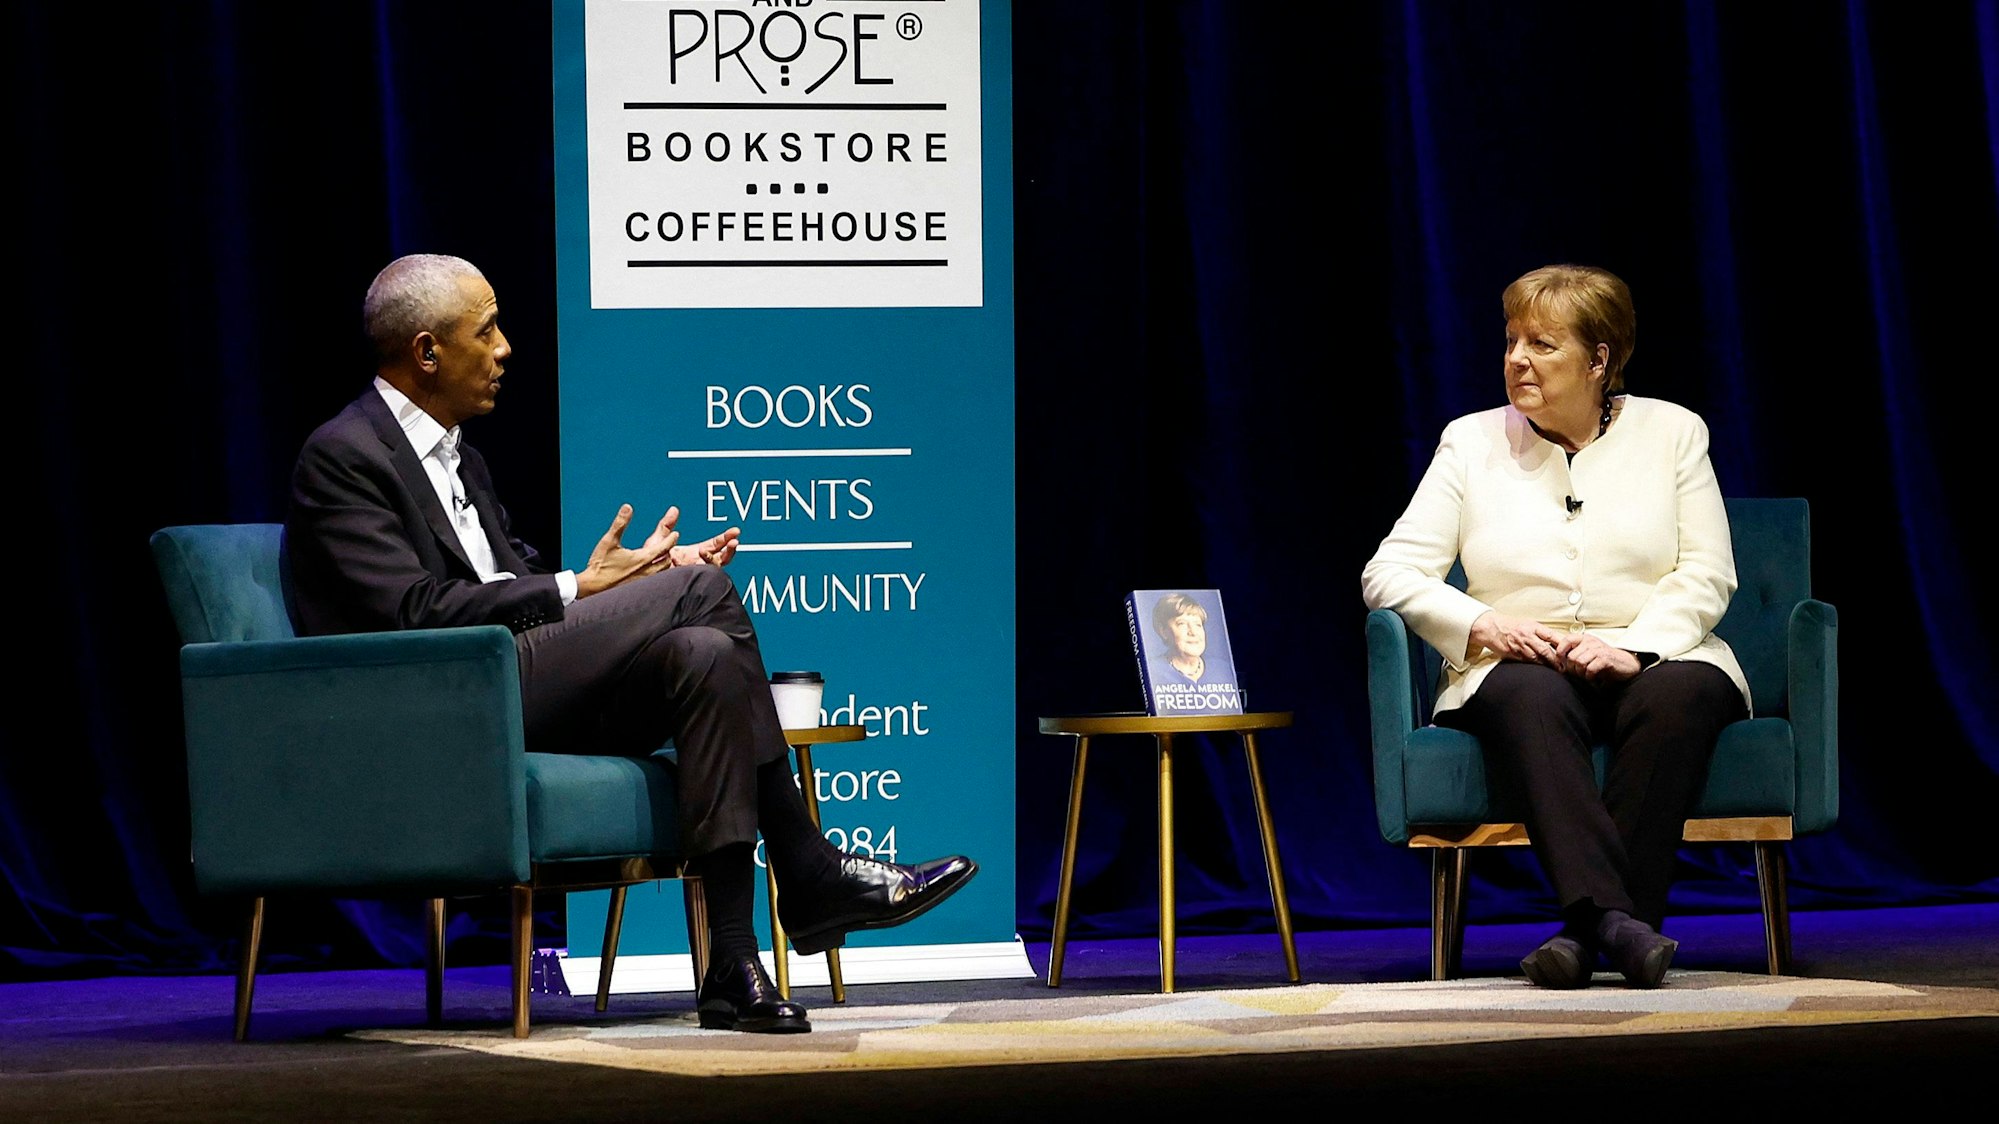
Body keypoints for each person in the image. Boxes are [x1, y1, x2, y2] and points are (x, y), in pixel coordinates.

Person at [286, 253, 977, 1033]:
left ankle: (732, 962)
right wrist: (585, 587)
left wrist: (632, 583)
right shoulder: (345, 455)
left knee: (703, 653)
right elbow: (412, 612)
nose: (506, 347)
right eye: (486, 331)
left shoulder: (460, 458)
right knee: (702, 594)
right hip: (441, 704)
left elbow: (511, 590)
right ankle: (809, 871)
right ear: (426, 351)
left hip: (512, 682)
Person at [1360, 263, 1748, 990]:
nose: (1515, 360)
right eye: (1511, 341)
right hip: (1519, 663)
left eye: (1541, 344)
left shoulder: (1671, 433)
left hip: (1656, 649)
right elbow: (1388, 573)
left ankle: (1585, 931)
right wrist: (1484, 624)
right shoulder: (1470, 443)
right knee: (1530, 698)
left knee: (1682, 697)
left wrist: (1632, 647)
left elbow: (1707, 572)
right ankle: (1619, 927)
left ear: (1598, 360)